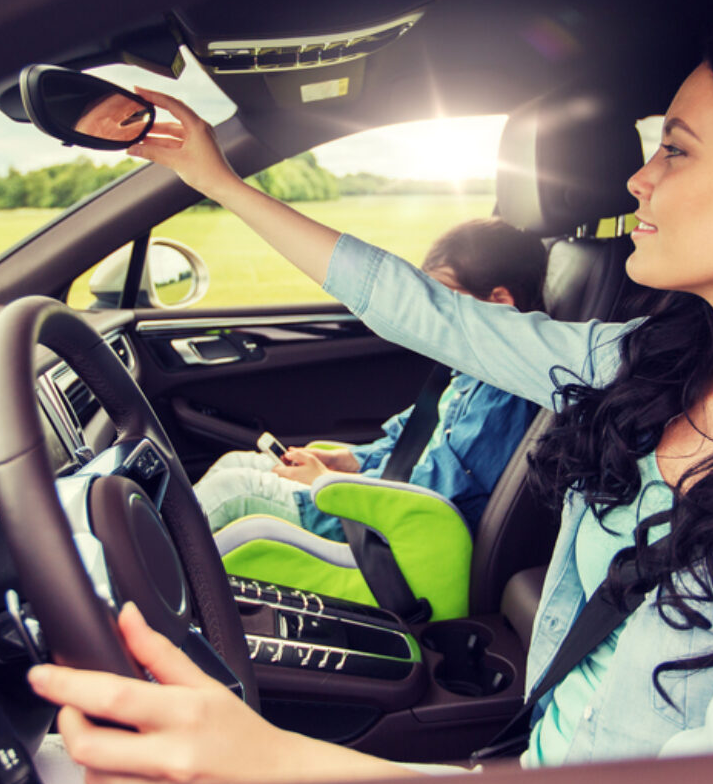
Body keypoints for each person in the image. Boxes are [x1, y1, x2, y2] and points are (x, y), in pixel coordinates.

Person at [26, 13, 713, 784]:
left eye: (675, 148)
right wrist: (217, 180)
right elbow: (420, 311)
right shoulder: (641, 361)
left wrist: (275, 763)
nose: (638, 178)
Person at [192, 217, 544, 542]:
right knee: (236, 463)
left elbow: (435, 491)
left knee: (231, 492)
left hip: (397, 535)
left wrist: (329, 483)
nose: (428, 315)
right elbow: (407, 444)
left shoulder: (503, 397)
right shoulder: (467, 371)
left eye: (442, 299)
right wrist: (352, 460)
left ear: (500, 301)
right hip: (383, 503)